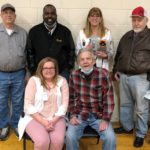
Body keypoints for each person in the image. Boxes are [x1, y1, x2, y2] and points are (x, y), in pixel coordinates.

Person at [113, 6, 150, 147]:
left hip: (141, 78)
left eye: (139, 20)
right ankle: (127, 127)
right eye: (134, 19)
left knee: (141, 108)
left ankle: (140, 134)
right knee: (125, 104)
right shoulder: (126, 36)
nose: (136, 23)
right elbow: (118, 55)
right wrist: (115, 70)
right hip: (124, 76)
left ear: (146, 20)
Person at [66, 49, 116, 150]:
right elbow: (71, 98)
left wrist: (105, 120)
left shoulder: (104, 74)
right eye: (82, 59)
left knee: (110, 138)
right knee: (69, 136)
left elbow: (109, 101)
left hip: (99, 116)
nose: (85, 61)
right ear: (78, 62)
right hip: (80, 114)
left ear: (94, 61)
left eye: (88, 58)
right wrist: (72, 116)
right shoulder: (74, 75)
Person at [18, 57, 69, 150]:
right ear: (40, 69)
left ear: (55, 69)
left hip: (56, 118)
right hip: (35, 118)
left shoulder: (62, 81)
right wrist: (44, 122)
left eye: (51, 68)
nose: (48, 70)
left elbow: (65, 104)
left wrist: (53, 120)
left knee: (58, 141)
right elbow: (28, 105)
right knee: (42, 141)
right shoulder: (33, 80)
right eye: (45, 68)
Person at [27, 4, 75, 81]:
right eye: (47, 13)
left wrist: (68, 67)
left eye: (52, 13)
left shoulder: (65, 31)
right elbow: (29, 51)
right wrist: (33, 69)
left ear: (56, 15)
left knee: (62, 93)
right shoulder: (34, 31)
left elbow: (71, 50)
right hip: (39, 73)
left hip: (61, 72)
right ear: (43, 15)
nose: (50, 16)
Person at [0, 3, 27, 140]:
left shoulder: (22, 32)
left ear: (15, 16)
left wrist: (27, 73)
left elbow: (28, 54)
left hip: (19, 73)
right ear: (1, 15)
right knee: (1, 101)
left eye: (11, 13)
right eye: (5, 13)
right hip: (1, 74)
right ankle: (4, 125)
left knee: (18, 100)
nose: (9, 15)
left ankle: (16, 124)